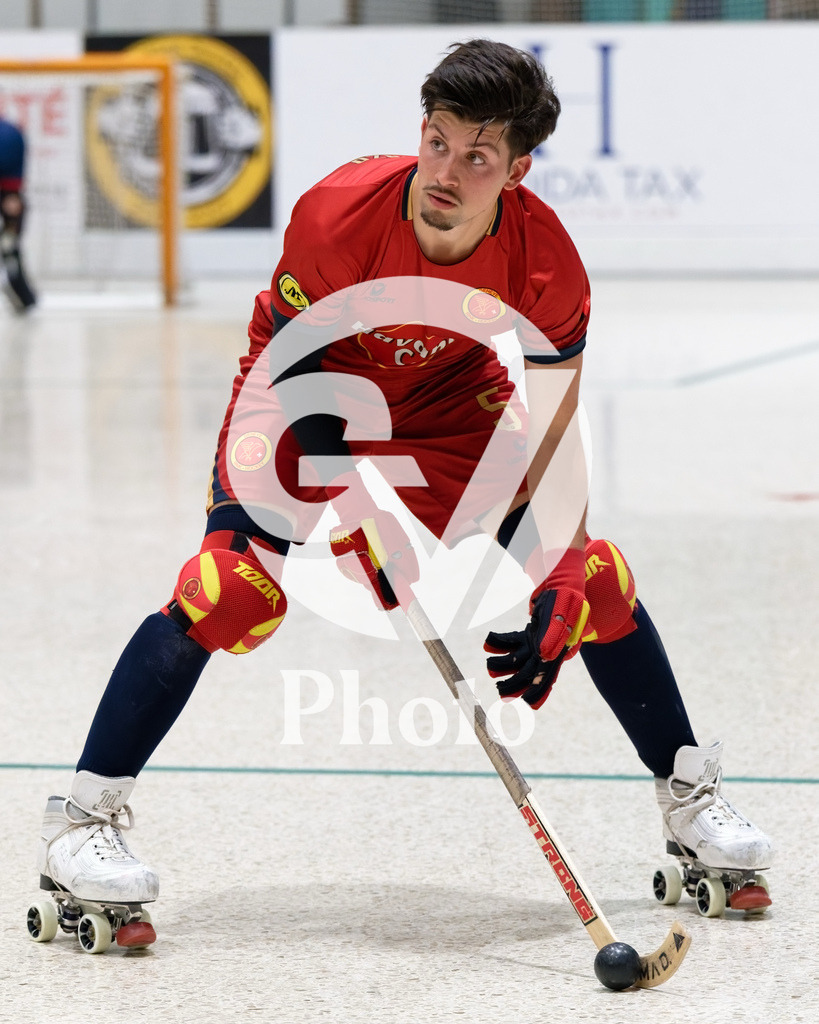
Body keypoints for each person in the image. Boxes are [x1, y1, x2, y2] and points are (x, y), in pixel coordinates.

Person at [36, 40, 771, 925]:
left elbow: (550, 430)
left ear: (518, 169)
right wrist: (354, 510)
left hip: (449, 399)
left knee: (599, 583)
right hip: (303, 391)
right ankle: (82, 823)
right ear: (419, 133)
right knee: (228, 592)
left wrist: (565, 568)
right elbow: (300, 378)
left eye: (477, 156)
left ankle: (692, 806)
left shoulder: (546, 262)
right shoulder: (337, 217)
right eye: (437, 141)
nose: (446, 173)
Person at [0, 115, 37, 312]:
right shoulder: (11, 131)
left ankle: (23, 297)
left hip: (9, 195)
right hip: (10, 195)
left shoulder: (8, 132)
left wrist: (12, 192)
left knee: (9, 247)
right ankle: (23, 297)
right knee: (9, 248)